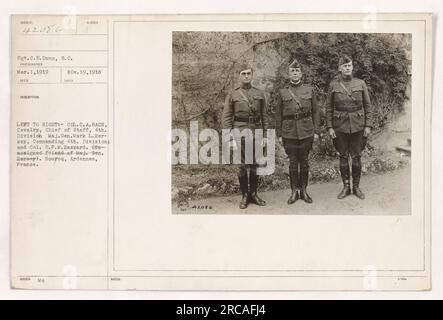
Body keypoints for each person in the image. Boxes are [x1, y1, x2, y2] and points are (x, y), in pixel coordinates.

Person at [325, 55, 374, 200]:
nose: (347, 68)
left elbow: (368, 106)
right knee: (343, 156)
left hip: (358, 126)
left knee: (357, 157)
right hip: (340, 126)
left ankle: (356, 187)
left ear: (352, 67)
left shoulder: (361, 83)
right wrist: (330, 127)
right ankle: (346, 187)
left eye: (350, 65)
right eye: (345, 66)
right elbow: (328, 108)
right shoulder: (333, 85)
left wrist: (368, 125)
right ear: (340, 68)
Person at [222, 64, 269, 209]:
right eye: (243, 73)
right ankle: (244, 196)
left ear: (252, 75)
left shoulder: (260, 94)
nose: (246, 76)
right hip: (239, 132)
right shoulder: (233, 94)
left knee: (255, 164)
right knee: (242, 166)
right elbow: (227, 117)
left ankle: (253, 194)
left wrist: (266, 134)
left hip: (256, 132)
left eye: (249, 73)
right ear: (239, 75)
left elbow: (264, 115)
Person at [275, 59, 320, 204]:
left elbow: (316, 112)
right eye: (292, 71)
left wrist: (317, 131)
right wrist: (279, 134)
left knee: (305, 162)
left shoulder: (309, 90)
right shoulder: (282, 92)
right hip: (289, 133)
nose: (295, 73)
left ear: (301, 74)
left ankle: (304, 191)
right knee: (293, 163)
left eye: (297, 71)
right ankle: (294, 191)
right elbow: (278, 114)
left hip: (306, 131)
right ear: (289, 74)